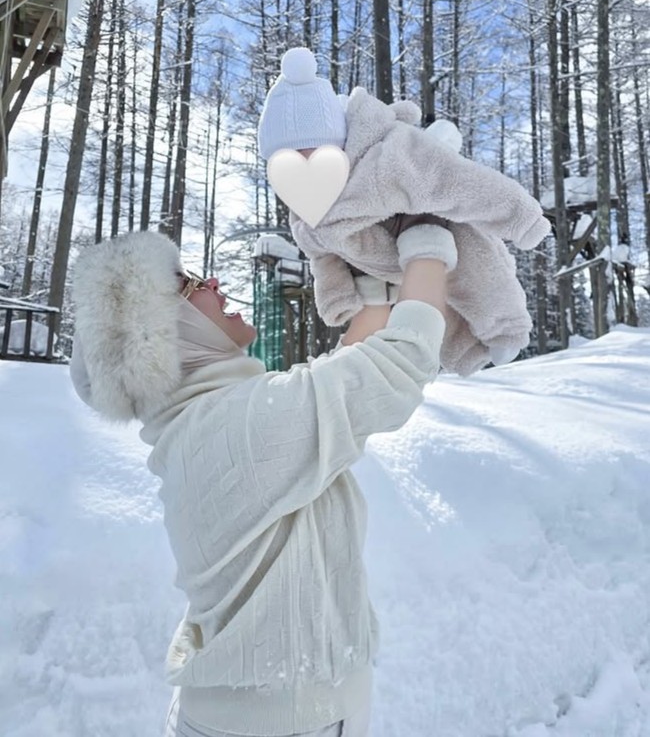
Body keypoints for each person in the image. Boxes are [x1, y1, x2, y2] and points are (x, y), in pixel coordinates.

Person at [69, 226, 452, 737]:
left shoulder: (208, 423)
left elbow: (337, 380)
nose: (212, 284)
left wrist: (372, 287)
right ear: (158, 331)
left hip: (266, 715)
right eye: (187, 284)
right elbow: (398, 364)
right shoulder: (236, 426)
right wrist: (429, 243)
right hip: (286, 723)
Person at [257, 47, 550, 375]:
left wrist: (520, 217)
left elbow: (461, 181)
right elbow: (320, 253)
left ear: (336, 139)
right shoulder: (303, 203)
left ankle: (505, 326)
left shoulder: (391, 157)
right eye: (288, 158)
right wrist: (335, 297)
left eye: (310, 150)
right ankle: (464, 352)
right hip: (377, 260)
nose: (302, 164)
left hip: (431, 228)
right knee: (411, 309)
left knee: (469, 265)